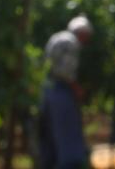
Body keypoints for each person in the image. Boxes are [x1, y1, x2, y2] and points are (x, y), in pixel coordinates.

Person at [39, 16, 93, 169]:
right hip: (60, 91)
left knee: (51, 133)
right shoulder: (71, 43)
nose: (86, 41)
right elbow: (65, 72)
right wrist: (77, 89)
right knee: (67, 133)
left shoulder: (57, 37)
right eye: (87, 36)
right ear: (82, 33)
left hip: (47, 90)